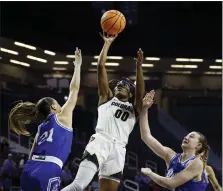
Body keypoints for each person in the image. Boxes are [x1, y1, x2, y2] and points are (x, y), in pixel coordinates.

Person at [62, 32, 145, 191]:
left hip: (119, 150)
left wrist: (139, 68)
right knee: (79, 185)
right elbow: (101, 66)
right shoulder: (106, 97)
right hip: (101, 142)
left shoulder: (135, 109)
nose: (120, 85)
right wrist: (106, 44)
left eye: (125, 85)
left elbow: (140, 94)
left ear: (131, 93)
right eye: (118, 84)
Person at [8, 48, 82, 191]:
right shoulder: (62, 117)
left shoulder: (41, 127)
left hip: (29, 169)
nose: (61, 106)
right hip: (47, 169)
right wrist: (77, 66)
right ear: (54, 107)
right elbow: (74, 89)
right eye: (59, 104)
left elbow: (32, 152)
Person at [139, 90, 211, 190]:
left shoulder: (196, 163)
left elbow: (171, 184)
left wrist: (150, 174)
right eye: (186, 135)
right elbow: (146, 136)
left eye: (191, 136)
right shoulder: (170, 155)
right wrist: (144, 109)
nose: (186, 137)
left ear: (198, 145)